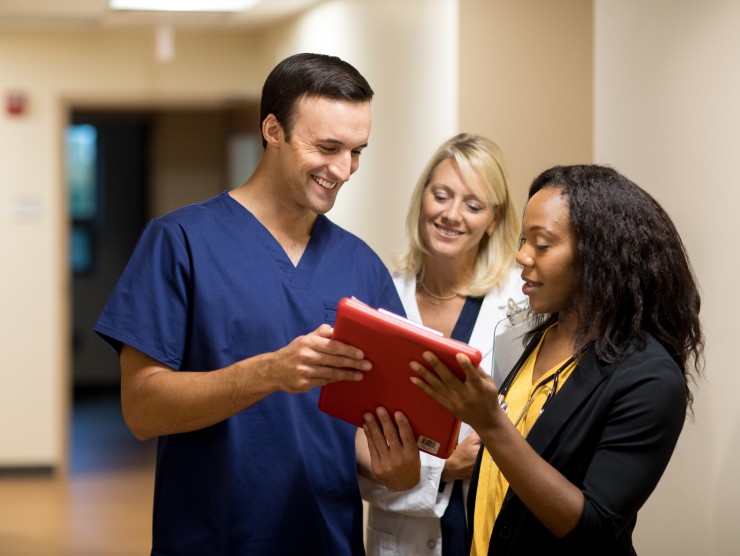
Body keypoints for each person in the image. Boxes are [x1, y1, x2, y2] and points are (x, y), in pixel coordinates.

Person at [94, 52, 420, 555]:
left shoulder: (362, 268)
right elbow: (142, 409)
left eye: (357, 151)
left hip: (327, 538)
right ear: (272, 130)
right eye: (328, 147)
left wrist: (394, 467)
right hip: (211, 538)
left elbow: (364, 427)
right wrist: (270, 372)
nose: (344, 169)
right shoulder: (179, 242)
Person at [410, 164, 704, 554]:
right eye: (522, 241)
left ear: (599, 256)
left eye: (542, 244)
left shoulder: (651, 379)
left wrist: (490, 422)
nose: (521, 257)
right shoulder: (532, 337)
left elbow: (594, 529)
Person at [359, 133, 526, 556]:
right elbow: (358, 454)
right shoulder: (382, 300)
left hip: (486, 529)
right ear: (422, 199)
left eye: (473, 205)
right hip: (400, 540)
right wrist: (443, 469)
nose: (452, 215)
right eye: (441, 195)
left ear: (494, 218)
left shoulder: (520, 307)